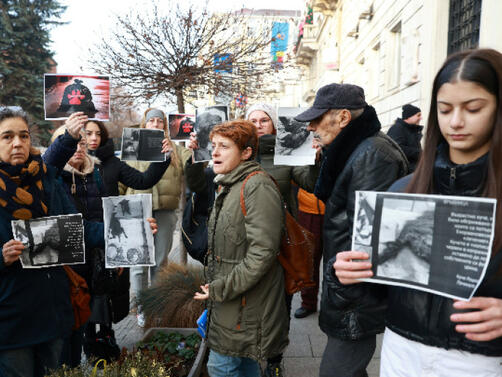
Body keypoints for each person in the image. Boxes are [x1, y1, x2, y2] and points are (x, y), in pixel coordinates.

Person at [335, 48, 502, 376]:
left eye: (473, 108)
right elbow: (380, 290)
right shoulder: (404, 191)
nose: (455, 121)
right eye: (444, 109)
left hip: (481, 361)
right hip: (401, 352)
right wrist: (347, 274)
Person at [294, 83, 408, 377]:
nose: (310, 127)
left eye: (317, 119)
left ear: (343, 118)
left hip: (355, 294)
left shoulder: (372, 154)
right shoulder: (354, 148)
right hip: (347, 289)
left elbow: (368, 241)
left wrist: (340, 286)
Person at [0, 108, 104, 376]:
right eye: (7, 137)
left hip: (52, 314)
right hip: (11, 323)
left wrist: (130, 229)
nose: (17, 143)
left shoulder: (45, 181)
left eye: (23, 136)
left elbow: (76, 230)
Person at [193, 120, 289, 377]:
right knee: (244, 365)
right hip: (232, 303)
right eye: (214, 145)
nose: (214, 152)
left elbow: (262, 253)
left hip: (246, 305)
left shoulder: (257, 186)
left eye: (224, 146)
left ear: (246, 152)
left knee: (220, 367)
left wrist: (220, 288)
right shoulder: (229, 183)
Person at [119, 108, 192, 327]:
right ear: (144, 123)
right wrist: (120, 207)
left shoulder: (175, 149)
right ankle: (141, 308)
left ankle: (157, 307)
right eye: (151, 120)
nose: (156, 124)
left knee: (160, 261)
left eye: (160, 121)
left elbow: (194, 163)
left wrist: (187, 149)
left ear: (165, 126)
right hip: (137, 209)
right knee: (138, 262)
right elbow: (121, 181)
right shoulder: (133, 144)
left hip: (165, 211)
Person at [293, 188, 325, 319]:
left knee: (335, 260)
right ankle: (308, 303)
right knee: (309, 258)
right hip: (308, 208)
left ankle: (332, 305)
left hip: (337, 207)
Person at [387, 104, 423, 171]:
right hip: (403, 173)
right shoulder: (397, 128)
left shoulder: (411, 130)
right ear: (409, 117)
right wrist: (421, 153)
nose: (421, 118)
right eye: (418, 115)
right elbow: (397, 149)